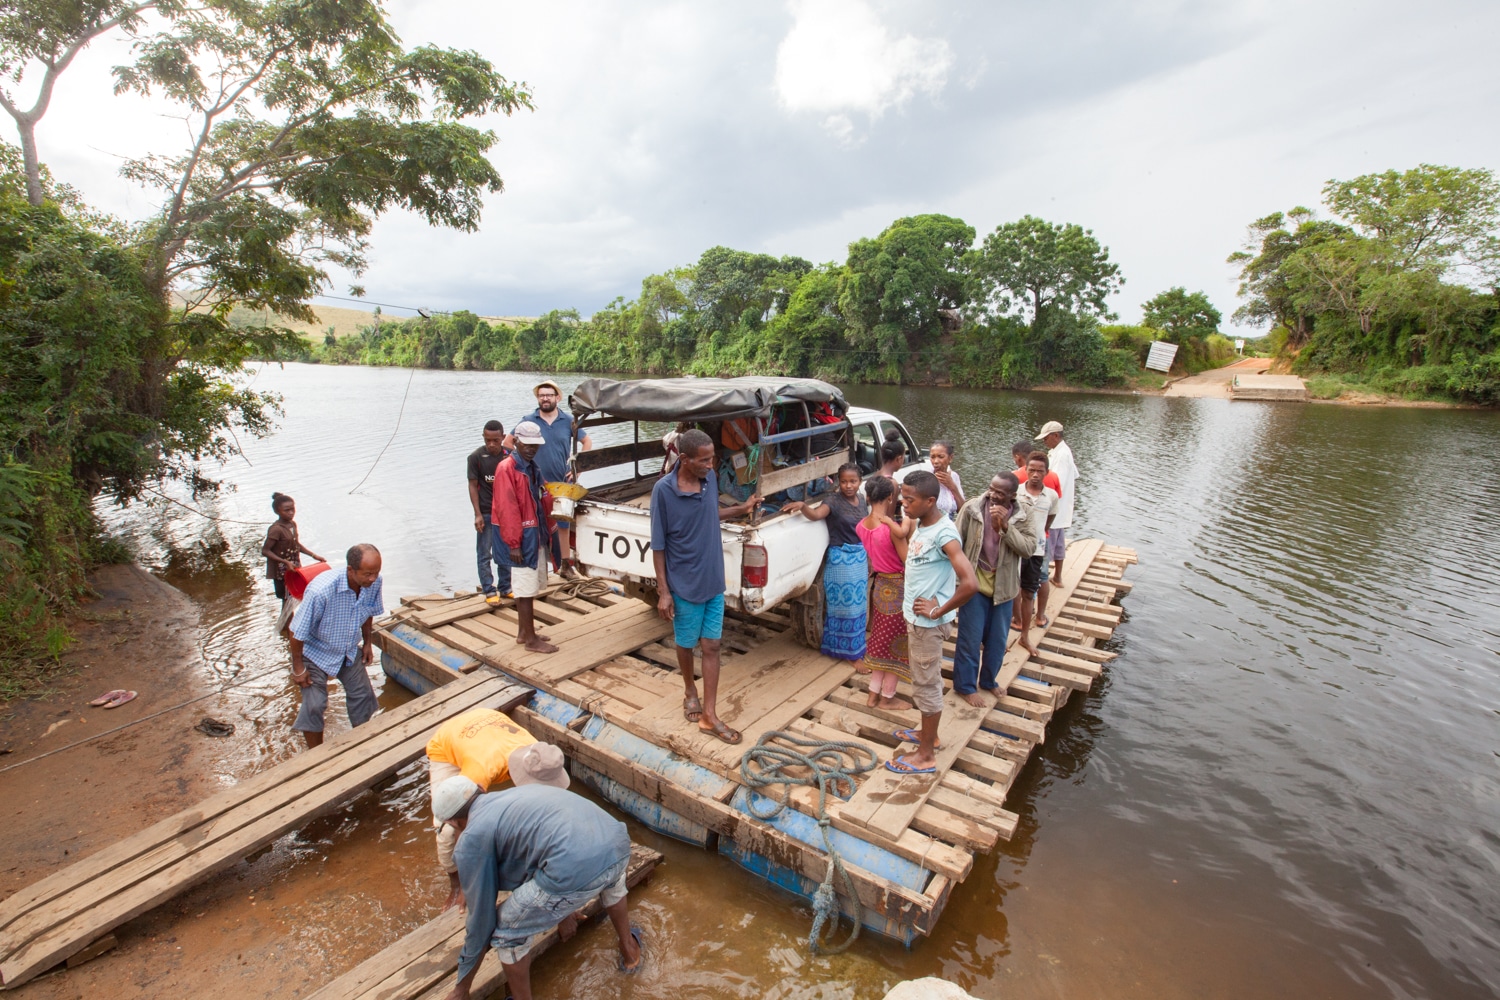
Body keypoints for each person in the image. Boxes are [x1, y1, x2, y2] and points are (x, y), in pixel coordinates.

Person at [440, 744, 641, 1000]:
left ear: (453, 823)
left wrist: (461, 988)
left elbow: (481, 923)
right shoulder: (519, 795)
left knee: (505, 931)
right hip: (617, 844)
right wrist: (561, 913)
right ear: (480, 789)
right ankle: (630, 951)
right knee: (613, 884)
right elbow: (539, 851)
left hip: (574, 867)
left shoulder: (470, 839)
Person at [650, 429, 760, 745]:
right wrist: (664, 591)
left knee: (712, 645)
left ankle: (710, 715)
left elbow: (710, 512)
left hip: (713, 578)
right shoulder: (663, 491)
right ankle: (689, 689)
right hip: (683, 583)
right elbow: (658, 544)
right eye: (704, 460)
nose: (711, 465)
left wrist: (741, 509)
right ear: (684, 459)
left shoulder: (709, 479)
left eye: (712, 458)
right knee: (686, 643)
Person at [887, 471, 977, 774]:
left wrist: (938, 611)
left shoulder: (944, 534)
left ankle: (925, 755)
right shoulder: (923, 525)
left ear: (930, 501)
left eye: (910, 500)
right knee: (923, 681)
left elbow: (970, 583)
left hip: (927, 626)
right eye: (903, 497)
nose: (904, 503)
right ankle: (931, 735)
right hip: (916, 621)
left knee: (927, 686)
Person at [426, 707, 537, 909]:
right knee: (447, 828)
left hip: (485, 726)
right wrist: (470, 884)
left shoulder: (536, 751)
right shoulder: (480, 769)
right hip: (447, 743)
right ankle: (456, 885)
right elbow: (465, 827)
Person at [953, 473, 1040, 705]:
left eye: (1000, 493)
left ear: (1012, 496)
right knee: (969, 640)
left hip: (1004, 587)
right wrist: (955, 582)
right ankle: (965, 686)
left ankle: (989, 681)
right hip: (974, 584)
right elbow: (954, 541)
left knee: (998, 640)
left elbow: (1029, 548)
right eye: (991, 489)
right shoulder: (972, 508)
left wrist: (1004, 527)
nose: (993, 496)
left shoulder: (1024, 514)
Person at [288, 543, 384, 749]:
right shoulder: (321, 591)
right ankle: (317, 755)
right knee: (315, 705)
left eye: (376, 573)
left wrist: (367, 643)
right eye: (367, 574)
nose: (373, 579)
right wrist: (298, 667)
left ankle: (362, 744)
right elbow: (296, 631)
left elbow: (368, 612)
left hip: (347, 649)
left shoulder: (373, 583)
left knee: (363, 696)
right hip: (315, 652)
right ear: (351, 570)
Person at [508, 381, 592, 580]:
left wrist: (578, 466)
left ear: (557, 397)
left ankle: (564, 565)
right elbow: (508, 443)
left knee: (562, 524)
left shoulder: (568, 421)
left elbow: (586, 442)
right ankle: (538, 569)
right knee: (535, 524)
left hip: (562, 482)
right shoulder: (529, 420)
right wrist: (522, 468)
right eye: (541, 395)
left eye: (549, 394)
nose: (545, 398)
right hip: (535, 483)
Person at [785, 463, 868, 662]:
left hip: (859, 558)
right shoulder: (833, 501)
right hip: (841, 561)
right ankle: (848, 654)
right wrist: (803, 506)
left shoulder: (862, 500)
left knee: (858, 606)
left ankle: (856, 647)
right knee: (844, 607)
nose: (848, 486)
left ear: (860, 482)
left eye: (853, 481)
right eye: (844, 481)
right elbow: (816, 515)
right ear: (839, 481)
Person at [493, 421, 558, 654]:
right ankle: (531, 640)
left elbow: (541, 493)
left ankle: (524, 632)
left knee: (528, 585)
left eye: (535, 445)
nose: (532, 449)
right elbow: (506, 507)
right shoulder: (506, 468)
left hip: (533, 533)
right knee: (525, 587)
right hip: (519, 538)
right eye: (527, 444)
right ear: (516, 442)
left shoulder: (531, 467)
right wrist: (514, 543)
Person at [856, 475, 912, 709]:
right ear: (891, 497)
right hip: (898, 587)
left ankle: (872, 694)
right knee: (898, 644)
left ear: (867, 497)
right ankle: (887, 697)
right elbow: (908, 560)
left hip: (880, 588)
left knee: (880, 639)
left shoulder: (861, 527)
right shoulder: (891, 529)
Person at [1012, 440, 1062, 627]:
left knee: (1036, 582)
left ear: (1046, 473)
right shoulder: (1016, 493)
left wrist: (1040, 533)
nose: (1035, 474)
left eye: (1040, 471)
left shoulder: (1051, 496)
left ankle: (1039, 616)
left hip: (1038, 548)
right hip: (1017, 547)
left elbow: (1050, 519)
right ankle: (1017, 618)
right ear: (1026, 470)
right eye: (1031, 470)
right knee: (1015, 584)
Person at [467, 420, 511, 606]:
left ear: (502, 438)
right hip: (485, 511)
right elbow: (472, 485)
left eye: (495, 440)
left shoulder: (510, 456)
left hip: (505, 513)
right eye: (487, 440)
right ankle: (488, 589)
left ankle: (506, 586)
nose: (491, 444)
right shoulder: (476, 457)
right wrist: (477, 514)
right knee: (484, 553)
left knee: (506, 550)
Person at [1037, 420, 1079, 586]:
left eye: (1046, 438)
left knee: (1049, 545)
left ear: (1055, 435)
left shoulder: (1062, 455)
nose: (1044, 441)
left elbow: (1056, 483)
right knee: (1059, 542)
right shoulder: (1060, 451)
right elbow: (1074, 474)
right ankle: (1058, 577)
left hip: (1055, 508)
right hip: (1061, 509)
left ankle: (1043, 579)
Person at [262, 492, 324, 602]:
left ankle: (296, 619)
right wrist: (285, 562)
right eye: (286, 510)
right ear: (277, 511)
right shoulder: (276, 529)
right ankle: (287, 619)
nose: (291, 513)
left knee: (298, 596)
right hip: (281, 571)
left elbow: (297, 545)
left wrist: (314, 556)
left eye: (292, 509)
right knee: (286, 601)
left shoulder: (292, 524)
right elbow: (265, 551)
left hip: (294, 567)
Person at [929, 441, 964, 519]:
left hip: (949, 522)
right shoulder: (926, 476)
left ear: (950, 458)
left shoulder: (954, 477)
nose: (935, 461)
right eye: (932, 457)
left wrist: (952, 486)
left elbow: (962, 510)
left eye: (940, 457)